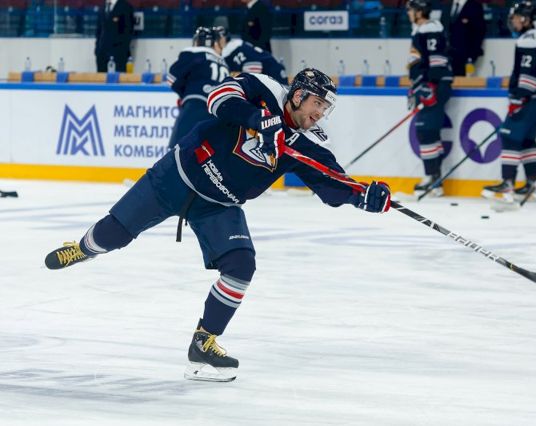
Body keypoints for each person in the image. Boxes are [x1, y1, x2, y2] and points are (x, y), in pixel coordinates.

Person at [43, 68, 392, 382]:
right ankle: (84, 248)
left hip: (219, 205)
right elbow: (218, 98)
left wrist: (365, 196)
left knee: (241, 266)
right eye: (318, 104)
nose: (320, 113)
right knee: (113, 235)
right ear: (299, 95)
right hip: (177, 176)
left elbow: (332, 182)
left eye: (326, 108)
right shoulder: (264, 88)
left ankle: (204, 341)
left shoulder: (308, 142)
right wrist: (258, 118)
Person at [482, 1, 536, 204]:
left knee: (510, 137)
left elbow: (530, 73)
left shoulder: (528, 40)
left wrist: (519, 97)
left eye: (514, 18)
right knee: (527, 140)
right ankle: (532, 185)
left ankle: (507, 183)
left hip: (530, 97)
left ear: (524, 18)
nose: (512, 22)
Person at [406, 0, 453, 197]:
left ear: (420, 11)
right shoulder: (419, 29)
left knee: (426, 131)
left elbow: (437, 60)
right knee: (429, 132)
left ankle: (432, 178)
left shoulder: (431, 28)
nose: (409, 13)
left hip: (435, 85)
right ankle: (435, 180)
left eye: (411, 10)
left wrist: (430, 86)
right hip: (428, 85)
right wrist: (416, 86)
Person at [167, 27, 230, 149]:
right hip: (220, 115)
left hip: (195, 107)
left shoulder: (193, 53)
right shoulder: (225, 64)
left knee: (177, 152)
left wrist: (186, 93)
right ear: (214, 43)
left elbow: (172, 79)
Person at [221, 29, 288, 85]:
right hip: (275, 70)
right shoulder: (237, 44)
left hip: (273, 76)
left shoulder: (231, 50)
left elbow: (254, 67)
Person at [441, 0, 486, 76]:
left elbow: (479, 31)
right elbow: (443, 27)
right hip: (448, 54)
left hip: (466, 55)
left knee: (464, 79)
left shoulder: (474, 6)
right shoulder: (447, 6)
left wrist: (472, 55)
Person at [95, 0, 135, 72]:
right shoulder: (103, 7)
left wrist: (121, 50)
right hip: (102, 54)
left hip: (119, 54)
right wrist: (97, 50)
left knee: (119, 77)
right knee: (101, 77)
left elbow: (128, 32)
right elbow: (99, 31)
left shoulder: (125, 7)